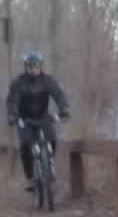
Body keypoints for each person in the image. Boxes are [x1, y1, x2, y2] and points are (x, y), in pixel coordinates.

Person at [5, 50, 71, 191]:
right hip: (25, 119)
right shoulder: (18, 83)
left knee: (52, 140)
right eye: (31, 66)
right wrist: (12, 115)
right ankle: (30, 178)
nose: (34, 69)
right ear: (26, 67)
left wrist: (64, 109)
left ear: (41, 66)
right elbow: (13, 101)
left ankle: (48, 163)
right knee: (25, 145)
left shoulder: (48, 81)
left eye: (37, 66)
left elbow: (59, 95)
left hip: (43, 117)